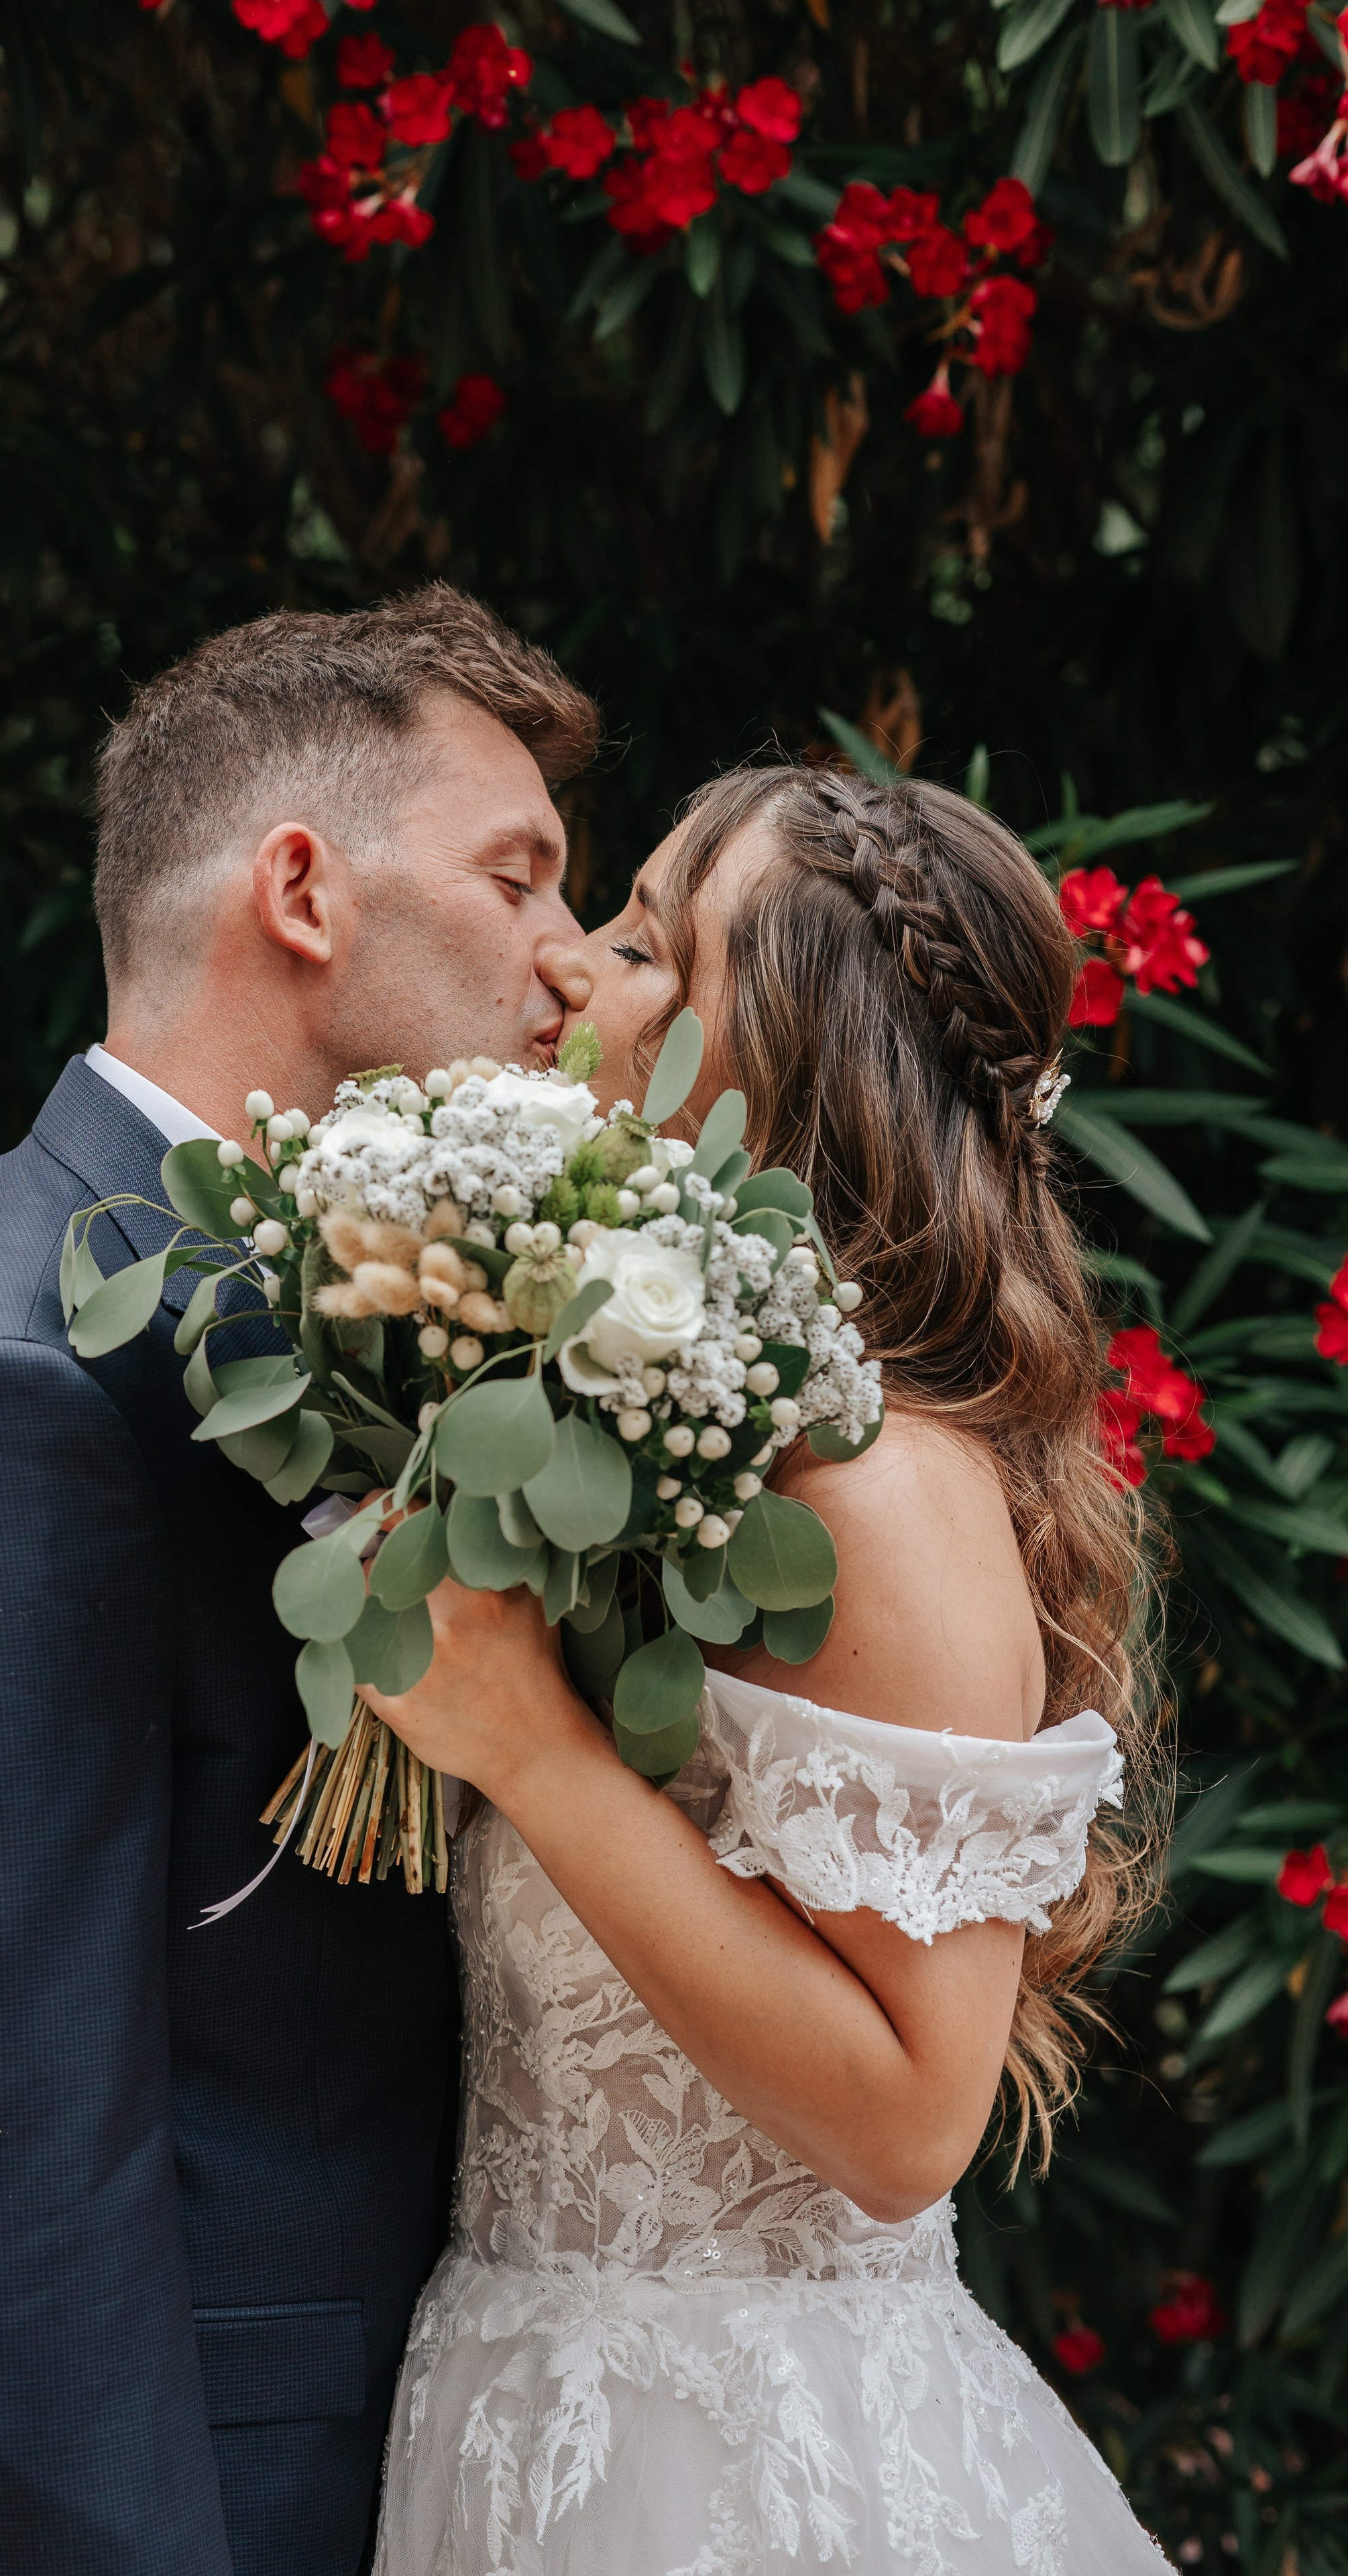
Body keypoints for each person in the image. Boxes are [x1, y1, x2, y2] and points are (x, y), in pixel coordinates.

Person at [0, 586, 598, 2576]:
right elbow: (17, 2194)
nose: (570, 960)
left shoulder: (211, 1316)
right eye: (519, 876)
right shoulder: (14, 1385)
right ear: (300, 888)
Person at [362, 763, 1176, 2573]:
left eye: (650, 946)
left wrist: (540, 1751)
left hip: (743, 2471)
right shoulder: (675, 1445)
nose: (573, 967)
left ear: (781, 1063)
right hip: (514, 2402)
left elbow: (909, 2124)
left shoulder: (877, 1491)